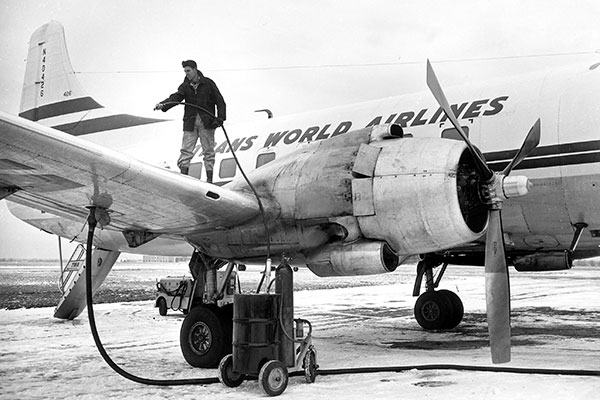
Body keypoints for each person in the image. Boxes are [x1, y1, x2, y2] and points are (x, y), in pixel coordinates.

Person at [155, 60, 226, 182]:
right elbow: (176, 97)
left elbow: (220, 101)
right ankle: (184, 178)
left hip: (207, 122)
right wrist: (163, 104)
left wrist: (220, 118)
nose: (186, 73)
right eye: (185, 71)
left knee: (208, 151)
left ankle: (209, 180)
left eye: (188, 71)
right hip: (190, 122)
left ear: (195, 69)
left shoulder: (208, 83)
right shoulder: (185, 86)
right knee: (186, 150)